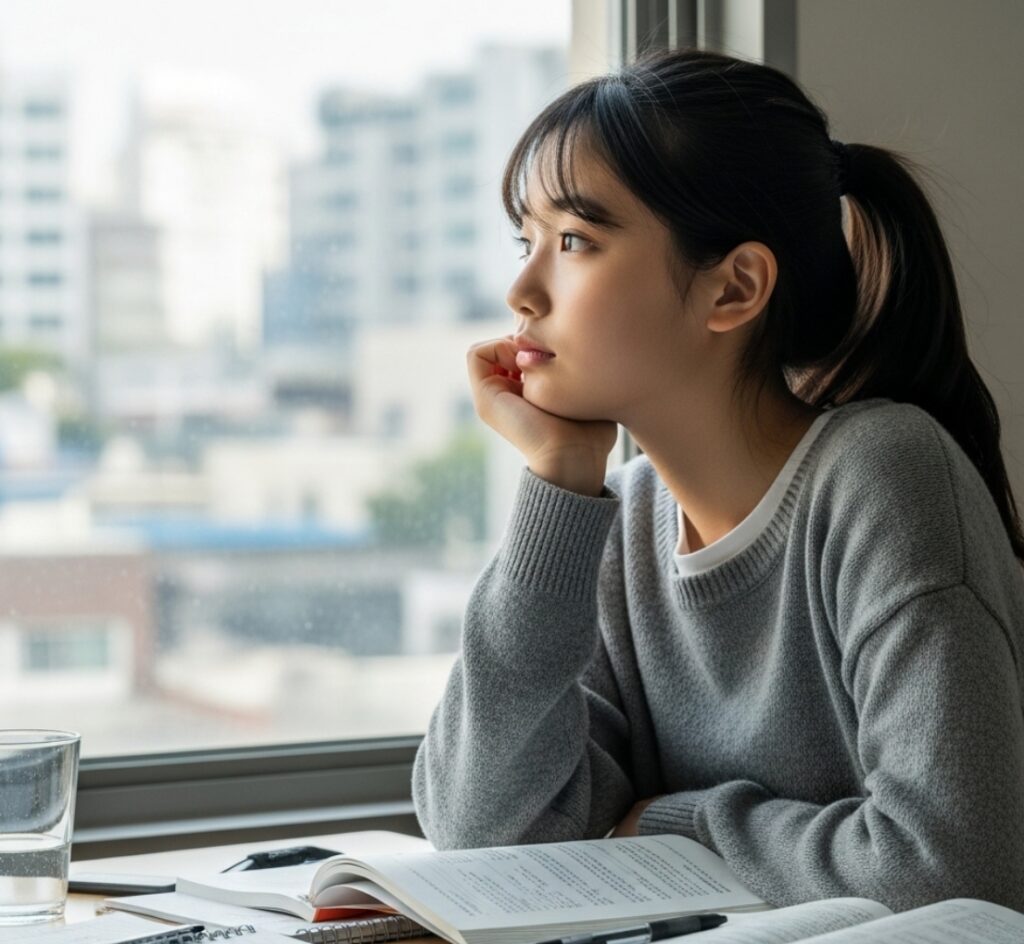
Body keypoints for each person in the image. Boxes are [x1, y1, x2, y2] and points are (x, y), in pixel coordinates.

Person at [411, 46, 1024, 914]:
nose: (522, 290)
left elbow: (955, 876)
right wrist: (559, 481)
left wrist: (670, 826)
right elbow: (483, 831)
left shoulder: (884, 475)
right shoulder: (621, 523)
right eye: (528, 240)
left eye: (576, 240)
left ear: (734, 288)